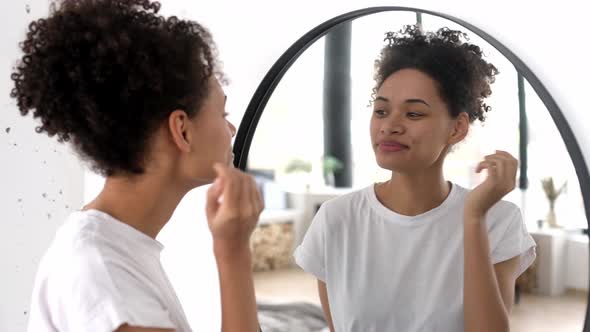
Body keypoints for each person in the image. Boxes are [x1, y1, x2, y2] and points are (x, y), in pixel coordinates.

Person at [10, 1, 262, 331]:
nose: (230, 130)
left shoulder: (114, 251)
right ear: (182, 129)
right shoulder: (104, 278)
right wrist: (233, 253)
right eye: (223, 114)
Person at [294, 25, 536, 332]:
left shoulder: (498, 220)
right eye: (381, 111)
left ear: (457, 128)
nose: (389, 126)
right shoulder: (336, 219)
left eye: (413, 114)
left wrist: (473, 219)